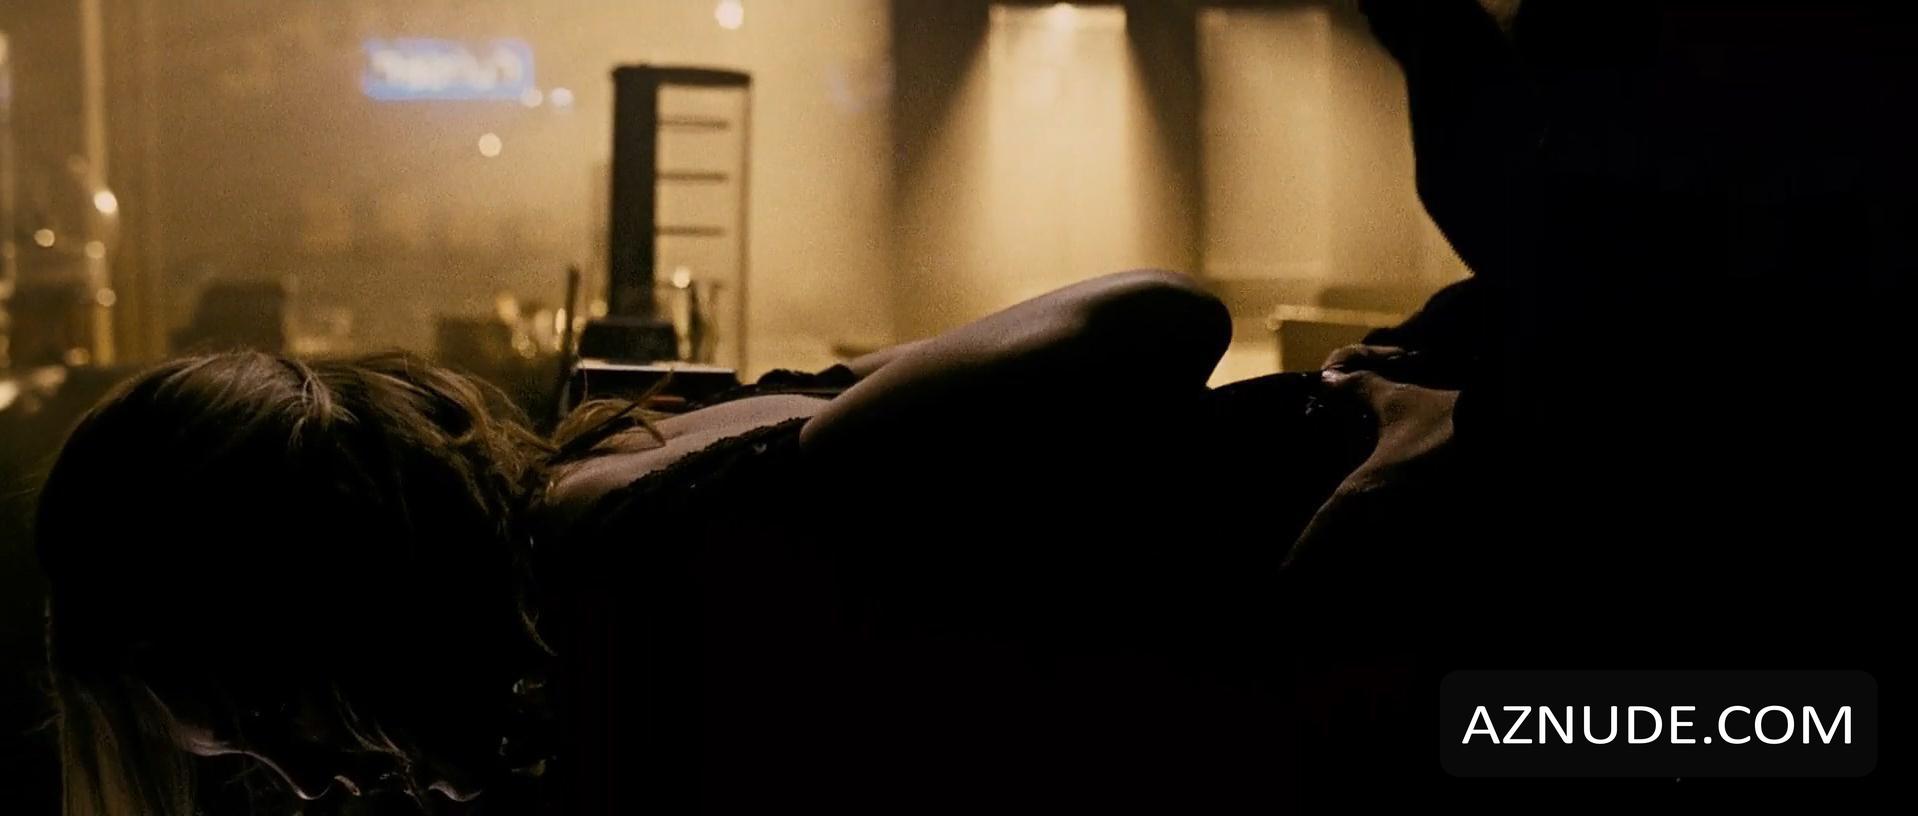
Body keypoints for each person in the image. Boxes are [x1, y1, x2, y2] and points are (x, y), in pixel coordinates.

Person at [35, 270, 1451, 814]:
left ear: (313, 591)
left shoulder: (646, 548)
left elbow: (1152, 318)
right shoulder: (589, 579)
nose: (299, 776)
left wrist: (1356, 416)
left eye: (262, 714)